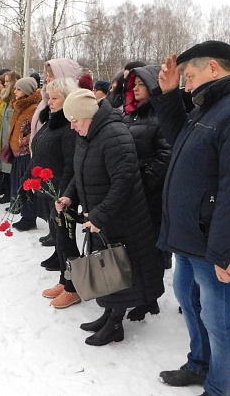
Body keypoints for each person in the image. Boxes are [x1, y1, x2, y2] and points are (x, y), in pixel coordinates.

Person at [151, 41, 230, 396]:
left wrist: (226, 250)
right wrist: (167, 95)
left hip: (215, 243)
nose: (187, 85)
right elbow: (183, 143)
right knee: (186, 296)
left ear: (213, 67)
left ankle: (220, 389)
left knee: (220, 318)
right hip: (192, 236)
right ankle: (200, 363)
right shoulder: (214, 105)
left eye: (189, 77)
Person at [57, 89, 165, 346]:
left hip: (122, 218)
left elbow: (124, 181)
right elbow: (79, 172)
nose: (72, 127)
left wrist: (100, 214)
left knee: (118, 268)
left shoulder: (115, 135)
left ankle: (116, 323)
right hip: (101, 216)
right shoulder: (89, 134)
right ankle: (108, 314)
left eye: (75, 120)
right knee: (107, 268)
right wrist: (69, 196)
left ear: (88, 116)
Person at [123, 65, 172, 321]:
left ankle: (149, 298)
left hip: (150, 195)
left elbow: (166, 155)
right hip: (132, 192)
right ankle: (137, 292)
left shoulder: (160, 115)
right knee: (134, 247)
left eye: (140, 84)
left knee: (150, 250)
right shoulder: (129, 115)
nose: (135, 88)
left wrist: (142, 181)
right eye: (133, 84)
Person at [32, 78, 79, 308]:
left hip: (63, 192)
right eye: (48, 97)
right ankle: (64, 279)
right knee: (60, 240)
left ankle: (73, 287)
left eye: (54, 98)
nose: (49, 102)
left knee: (67, 241)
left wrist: (64, 193)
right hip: (52, 191)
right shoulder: (52, 121)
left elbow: (71, 164)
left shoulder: (69, 126)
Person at [7, 77, 42, 231]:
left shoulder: (33, 108)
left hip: (26, 153)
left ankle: (29, 217)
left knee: (27, 185)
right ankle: (23, 212)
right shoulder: (19, 106)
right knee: (19, 184)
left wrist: (24, 140)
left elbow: (36, 130)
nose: (15, 91)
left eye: (18, 89)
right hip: (17, 153)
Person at [0, 71, 20, 204]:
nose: (5, 84)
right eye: (5, 81)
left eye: (8, 81)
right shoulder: (5, 99)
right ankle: (6, 191)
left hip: (9, 138)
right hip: (2, 136)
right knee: (3, 166)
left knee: (9, 168)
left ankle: (10, 193)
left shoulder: (14, 100)